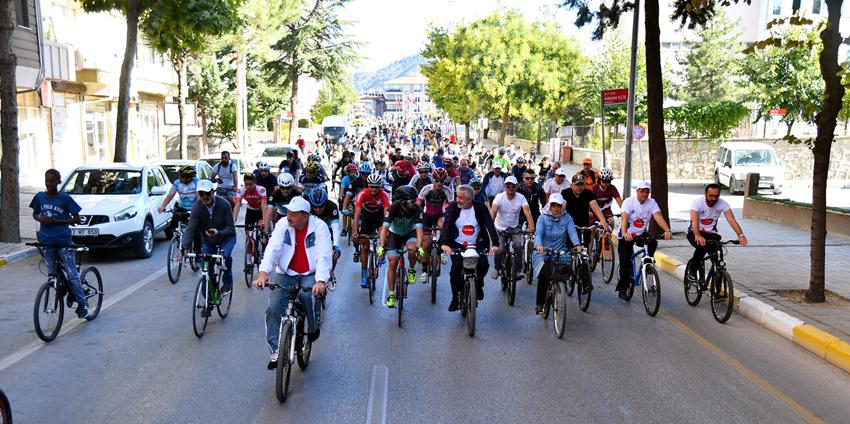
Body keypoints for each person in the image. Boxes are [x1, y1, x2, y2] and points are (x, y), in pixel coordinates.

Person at [254, 197, 331, 369]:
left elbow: (324, 254)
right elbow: (273, 247)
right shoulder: (283, 224)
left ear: (305, 216)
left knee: (307, 295)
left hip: (310, 272)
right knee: (274, 307)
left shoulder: (319, 227)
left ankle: (312, 327)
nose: (289, 217)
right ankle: (276, 351)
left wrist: (320, 280)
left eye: (293, 214)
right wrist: (264, 272)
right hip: (287, 272)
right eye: (288, 212)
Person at [29, 169, 89, 319]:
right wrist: (41, 219)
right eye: (47, 180)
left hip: (64, 242)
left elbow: (76, 218)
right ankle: (61, 287)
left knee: (72, 275)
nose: (49, 184)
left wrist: (57, 221)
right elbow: (35, 214)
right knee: (52, 274)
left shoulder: (65, 198)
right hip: (47, 242)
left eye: (52, 181)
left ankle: (83, 304)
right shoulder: (40, 197)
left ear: (58, 182)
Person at [439, 185, 500, 311]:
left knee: (483, 264)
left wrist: (495, 243)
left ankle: (478, 284)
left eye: (460, 198)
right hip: (457, 244)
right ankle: (455, 298)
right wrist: (444, 243)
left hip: (478, 243)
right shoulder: (453, 208)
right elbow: (447, 225)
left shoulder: (480, 207)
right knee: (456, 269)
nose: (457, 200)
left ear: (469, 199)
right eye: (457, 197)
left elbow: (489, 224)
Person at [616, 181, 673, 299]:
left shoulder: (652, 203)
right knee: (625, 262)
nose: (644, 194)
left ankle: (648, 263)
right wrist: (625, 232)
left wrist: (667, 230)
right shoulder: (629, 202)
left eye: (647, 192)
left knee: (653, 241)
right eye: (642, 191)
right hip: (626, 234)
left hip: (640, 233)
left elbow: (658, 216)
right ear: (637, 191)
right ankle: (623, 288)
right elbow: (624, 218)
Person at [181, 179, 237, 295]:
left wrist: (219, 232)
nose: (205, 197)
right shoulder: (197, 207)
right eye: (202, 194)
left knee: (225, 256)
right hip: (208, 241)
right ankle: (209, 299)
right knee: (206, 269)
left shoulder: (224, 204)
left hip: (226, 238)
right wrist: (184, 247)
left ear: (213, 192)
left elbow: (231, 229)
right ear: (198, 194)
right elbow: (191, 228)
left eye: (207, 193)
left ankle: (227, 282)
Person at [686, 183, 748, 282]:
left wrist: (741, 235)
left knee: (717, 260)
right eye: (711, 196)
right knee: (702, 245)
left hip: (711, 234)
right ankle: (692, 271)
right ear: (705, 194)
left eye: (716, 196)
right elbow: (694, 220)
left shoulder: (723, 204)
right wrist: (697, 235)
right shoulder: (697, 202)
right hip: (694, 232)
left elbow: (731, 220)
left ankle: (717, 287)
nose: (714, 199)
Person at [532, 193, 582, 314]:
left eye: (558, 206)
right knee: (544, 273)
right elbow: (538, 233)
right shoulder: (542, 217)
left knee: (566, 268)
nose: (556, 208)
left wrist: (577, 244)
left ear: (562, 206)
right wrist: (539, 245)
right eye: (553, 205)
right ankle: (540, 304)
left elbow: (572, 232)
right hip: (543, 252)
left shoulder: (567, 217)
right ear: (549, 206)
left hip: (560, 251)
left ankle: (560, 288)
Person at [378, 186, 425, 308]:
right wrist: (382, 246)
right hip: (395, 234)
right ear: (403, 201)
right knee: (393, 261)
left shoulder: (417, 208)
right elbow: (384, 228)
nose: (415, 203)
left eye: (415, 200)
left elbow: (419, 229)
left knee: (411, 250)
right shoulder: (393, 207)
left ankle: (411, 269)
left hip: (410, 233)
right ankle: (392, 294)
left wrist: (419, 247)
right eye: (412, 201)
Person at [489, 176, 535, 280]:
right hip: (500, 227)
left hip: (514, 227)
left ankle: (518, 270)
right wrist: (490, 227)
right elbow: (493, 213)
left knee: (518, 245)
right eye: (508, 186)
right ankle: (497, 268)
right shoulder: (499, 197)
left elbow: (527, 212)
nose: (510, 188)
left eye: (513, 186)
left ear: (517, 187)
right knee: (500, 249)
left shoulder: (521, 198)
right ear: (504, 186)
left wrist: (531, 227)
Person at [351, 174, 391, 287]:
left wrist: (386, 231)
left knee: (385, 236)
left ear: (380, 187)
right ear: (368, 185)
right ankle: (364, 275)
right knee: (364, 245)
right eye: (372, 186)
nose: (374, 189)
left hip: (379, 217)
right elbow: (357, 214)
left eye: (376, 187)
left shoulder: (384, 195)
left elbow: (387, 214)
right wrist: (355, 232)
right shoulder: (362, 194)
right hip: (366, 217)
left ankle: (381, 254)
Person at [416, 168, 454, 282]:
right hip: (427, 216)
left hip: (439, 215)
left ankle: (441, 250)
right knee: (426, 243)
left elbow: (451, 207)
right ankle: (424, 271)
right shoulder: (426, 189)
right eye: (437, 180)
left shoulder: (447, 190)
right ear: (433, 180)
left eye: (442, 181)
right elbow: (418, 203)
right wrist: (417, 216)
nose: (439, 184)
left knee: (444, 225)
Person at [561, 174, 610, 247]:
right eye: (577, 184)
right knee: (569, 247)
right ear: (571, 185)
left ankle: (589, 256)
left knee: (585, 247)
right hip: (570, 223)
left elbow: (595, 206)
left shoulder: (588, 193)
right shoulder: (565, 193)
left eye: (582, 184)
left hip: (584, 224)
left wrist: (602, 220)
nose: (579, 187)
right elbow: (562, 207)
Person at [305, 188, 342, 284]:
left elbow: (335, 228)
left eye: (321, 206)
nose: (318, 209)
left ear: (326, 203)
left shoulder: (332, 206)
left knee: (334, 253)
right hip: (313, 230)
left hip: (328, 230)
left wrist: (336, 245)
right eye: (315, 207)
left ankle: (331, 272)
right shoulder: (307, 207)